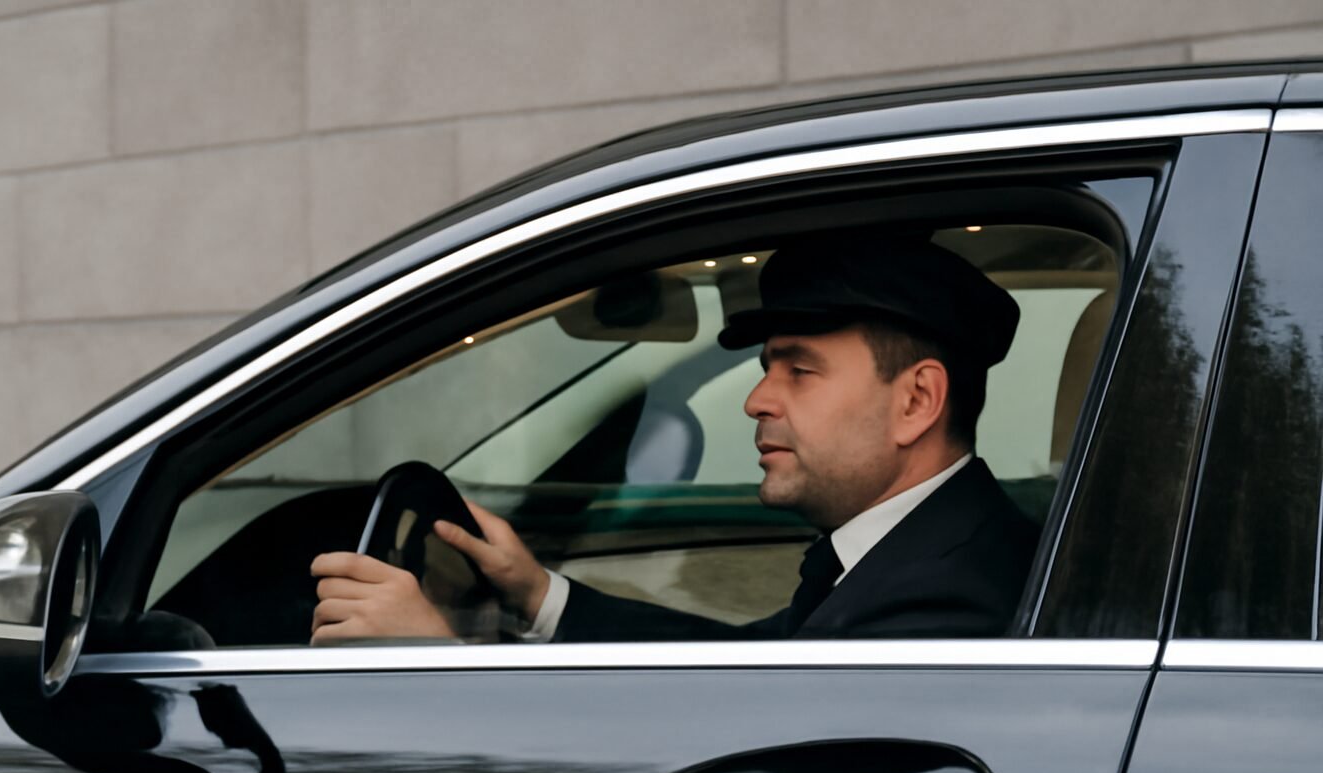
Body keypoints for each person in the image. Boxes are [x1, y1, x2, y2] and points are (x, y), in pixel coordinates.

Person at [309, 234, 1041, 644]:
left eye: (800, 370)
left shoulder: (946, 605)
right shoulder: (927, 548)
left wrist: (431, 660)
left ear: (916, 401)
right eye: (766, 368)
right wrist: (538, 595)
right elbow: (748, 667)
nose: (757, 399)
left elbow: (759, 752)